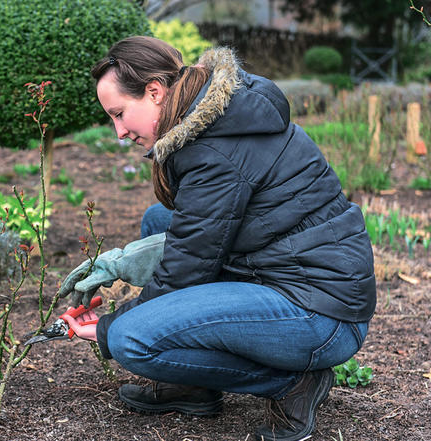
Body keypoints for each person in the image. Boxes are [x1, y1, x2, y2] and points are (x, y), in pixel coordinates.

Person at [58, 36, 376, 441]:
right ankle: (192, 385)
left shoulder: (215, 151)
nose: (119, 131)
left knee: (131, 339)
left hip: (321, 314)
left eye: (120, 114)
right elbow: (194, 239)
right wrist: (121, 262)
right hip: (293, 278)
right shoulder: (217, 116)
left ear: (155, 92)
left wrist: (106, 329)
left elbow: (186, 269)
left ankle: (293, 384)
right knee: (159, 220)